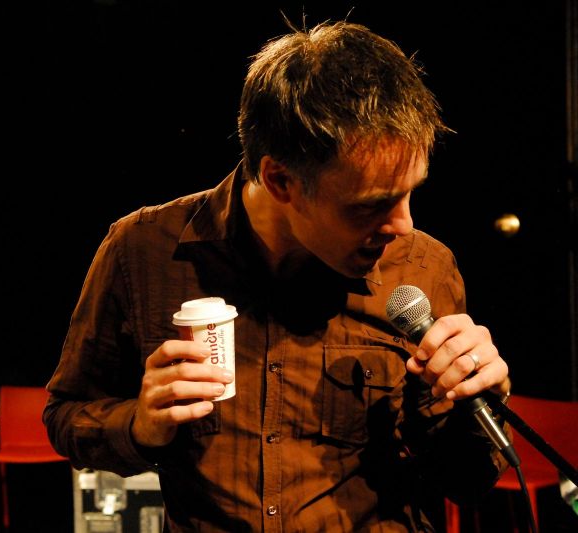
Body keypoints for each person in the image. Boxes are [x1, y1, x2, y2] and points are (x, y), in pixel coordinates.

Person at [44, 21, 513, 532]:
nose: (405, 225)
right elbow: (67, 416)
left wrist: (481, 402)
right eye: (371, 205)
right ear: (280, 180)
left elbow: (465, 482)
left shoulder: (425, 268)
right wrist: (139, 425)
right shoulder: (143, 251)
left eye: (410, 192)